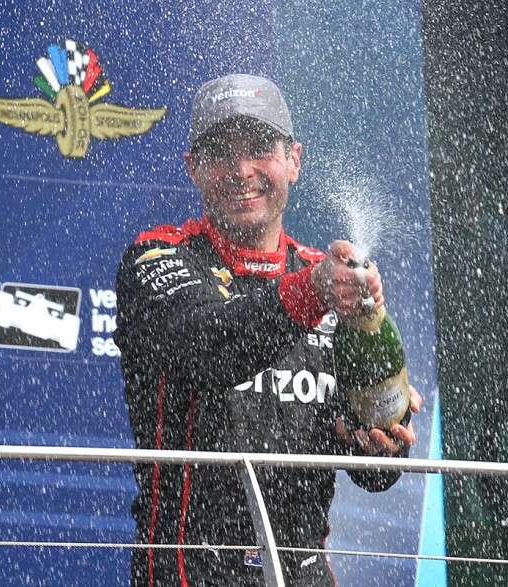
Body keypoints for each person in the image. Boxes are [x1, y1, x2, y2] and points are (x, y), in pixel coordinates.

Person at [114, 74, 422, 586]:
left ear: (294, 160)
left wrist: (378, 444)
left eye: (260, 149)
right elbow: (207, 348)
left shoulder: (331, 283)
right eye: (218, 154)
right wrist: (312, 293)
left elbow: (377, 474)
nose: (241, 170)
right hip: (188, 576)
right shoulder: (156, 257)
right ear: (193, 169)